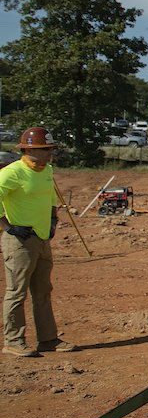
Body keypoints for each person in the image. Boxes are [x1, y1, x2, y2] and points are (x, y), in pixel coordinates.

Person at [1, 128, 74, 358]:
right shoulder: (12, 173)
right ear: (29, 150)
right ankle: (13, 340)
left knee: (43, 291)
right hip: (20, 242)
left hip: (42, 239)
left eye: (51, 149)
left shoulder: (47, 171)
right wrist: (7, 226)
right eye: (45, 149)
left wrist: (53, 220)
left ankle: (48, 339)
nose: (50, 153)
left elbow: (51, 198)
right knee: (17, 291)